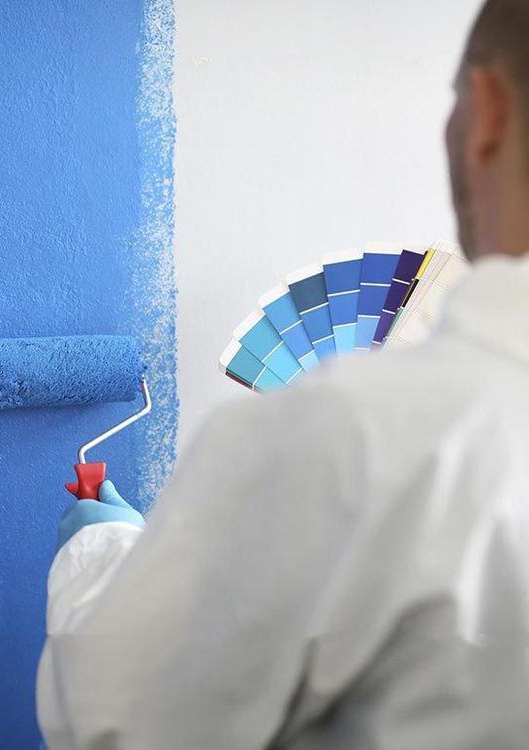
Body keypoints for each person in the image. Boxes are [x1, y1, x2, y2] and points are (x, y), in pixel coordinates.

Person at [37, 1, 529, 747]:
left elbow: (115, 719)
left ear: (488, 111)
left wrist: (100, 551)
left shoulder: (352, 438)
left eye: (452, 100)